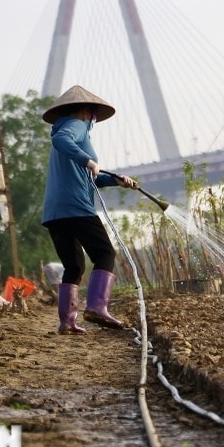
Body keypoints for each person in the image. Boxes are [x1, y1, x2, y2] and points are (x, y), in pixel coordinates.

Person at [41, 85, 138, 335]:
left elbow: (88, 179)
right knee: (105, 253)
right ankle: (97, 306)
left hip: (55, 212)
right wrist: (89, 160)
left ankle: (67, 321)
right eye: (93, 114)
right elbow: (62, 141)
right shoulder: (75, 125)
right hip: (76, 207)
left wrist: (115, 180)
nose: (93, 119)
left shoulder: (67, 129)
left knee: (74, 267)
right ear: (86, 111)